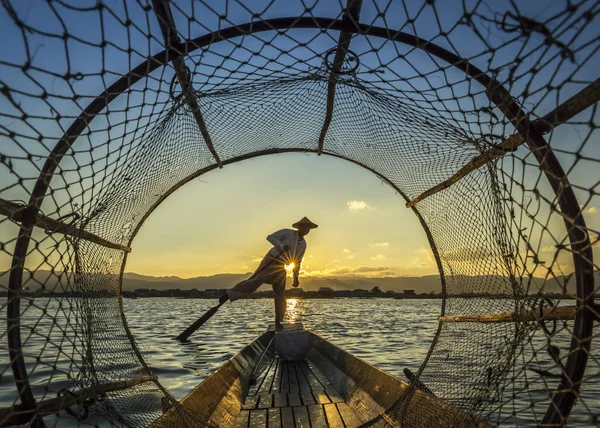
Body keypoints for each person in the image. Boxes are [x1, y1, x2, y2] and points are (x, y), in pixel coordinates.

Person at [219, 217, 318, 330]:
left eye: (308, 228)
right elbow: (270, 237)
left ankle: (278, 321)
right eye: (304, 227)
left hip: (281, 266)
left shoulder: (303, 244)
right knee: (256, 281)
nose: (306, 230)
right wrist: (281, 246)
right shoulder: (287, 233)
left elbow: (297, 261)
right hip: (272, 259)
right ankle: (229, 293)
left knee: (280, 294)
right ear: (299, 227)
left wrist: (296, 277)